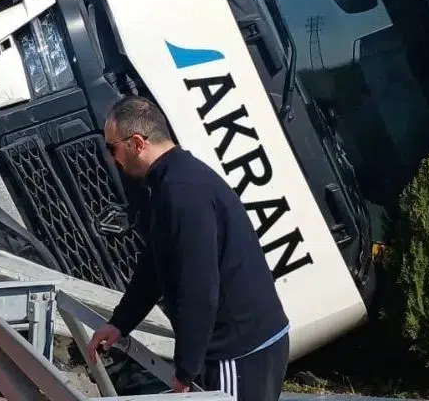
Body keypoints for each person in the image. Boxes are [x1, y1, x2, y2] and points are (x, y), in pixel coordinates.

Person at [87, 96, 291, 400]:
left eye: (111, 147)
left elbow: (198, 288)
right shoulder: (173, 180)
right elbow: (155, 265)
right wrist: (120, 323)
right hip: (244, 342)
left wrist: (185, 370)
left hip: (239, 349)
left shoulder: (181, 193)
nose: (111, 158)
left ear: (137, 143)